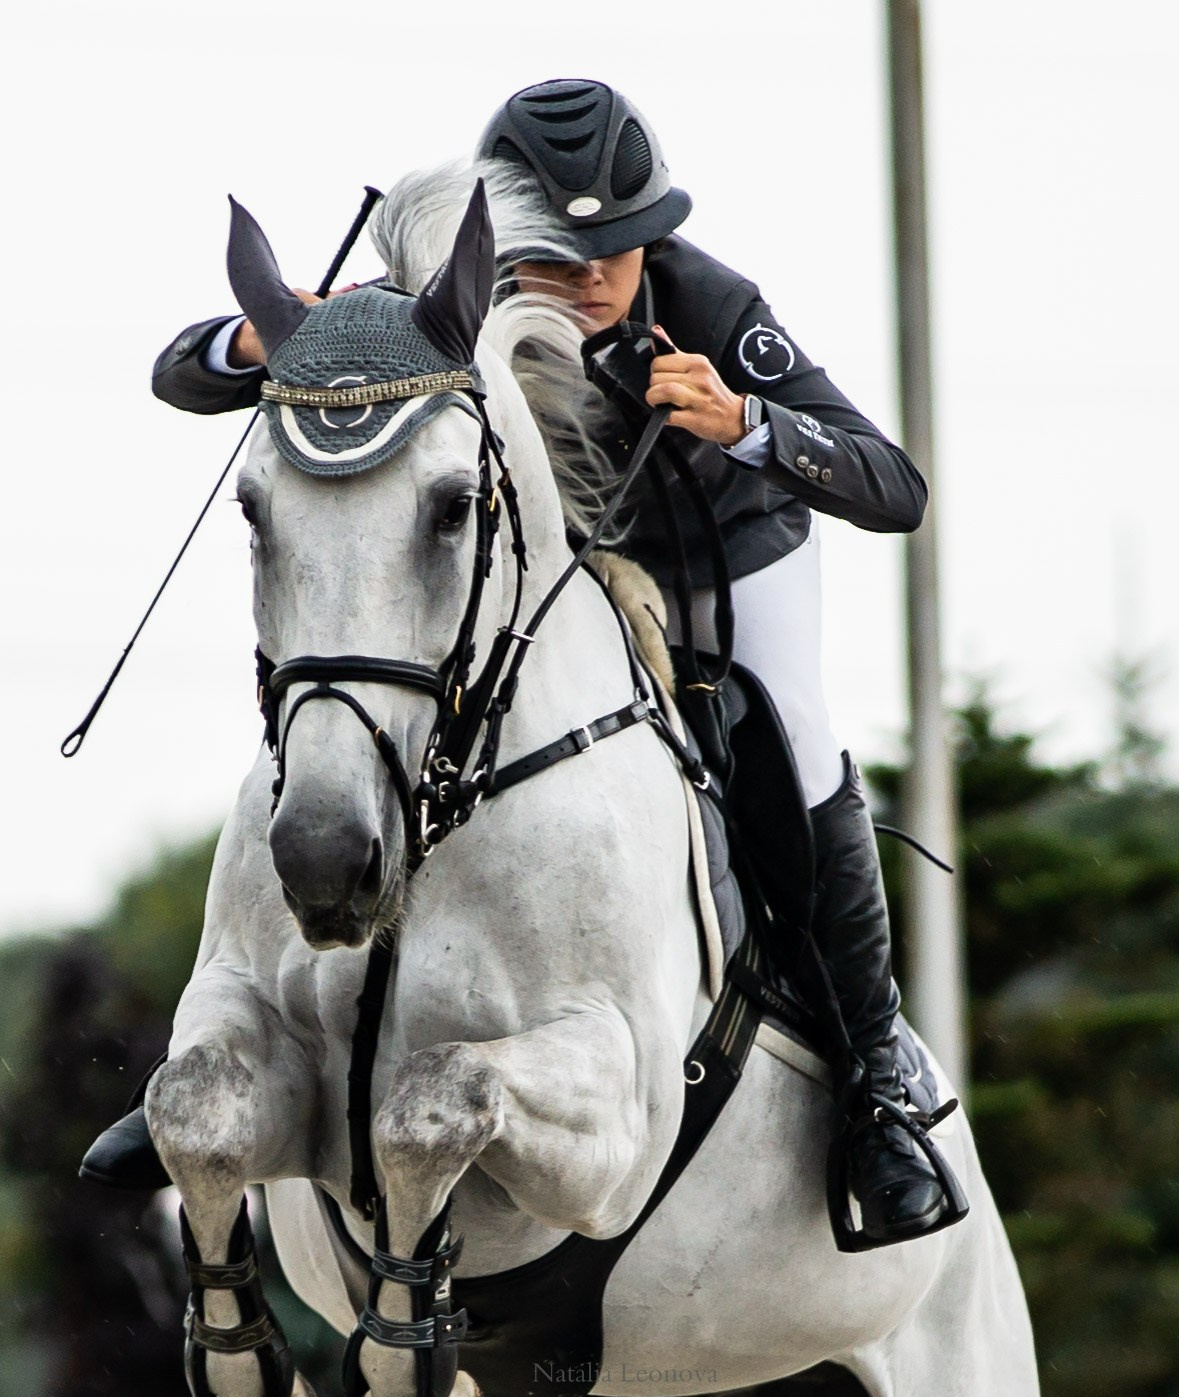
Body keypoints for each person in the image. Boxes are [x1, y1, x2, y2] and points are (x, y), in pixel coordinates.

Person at [83, 79, 965, 1249]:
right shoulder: (441, 301)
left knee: (789, 733)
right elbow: (180, 374)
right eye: (562, 252)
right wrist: (253, 339)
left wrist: (744, 418)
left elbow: (892, 484)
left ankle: (873, 1083)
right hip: (516, 572)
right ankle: (234, 1047)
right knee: (345, 703)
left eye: (620, 244)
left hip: (712, 554)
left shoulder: (709, 302)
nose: (595, 275)